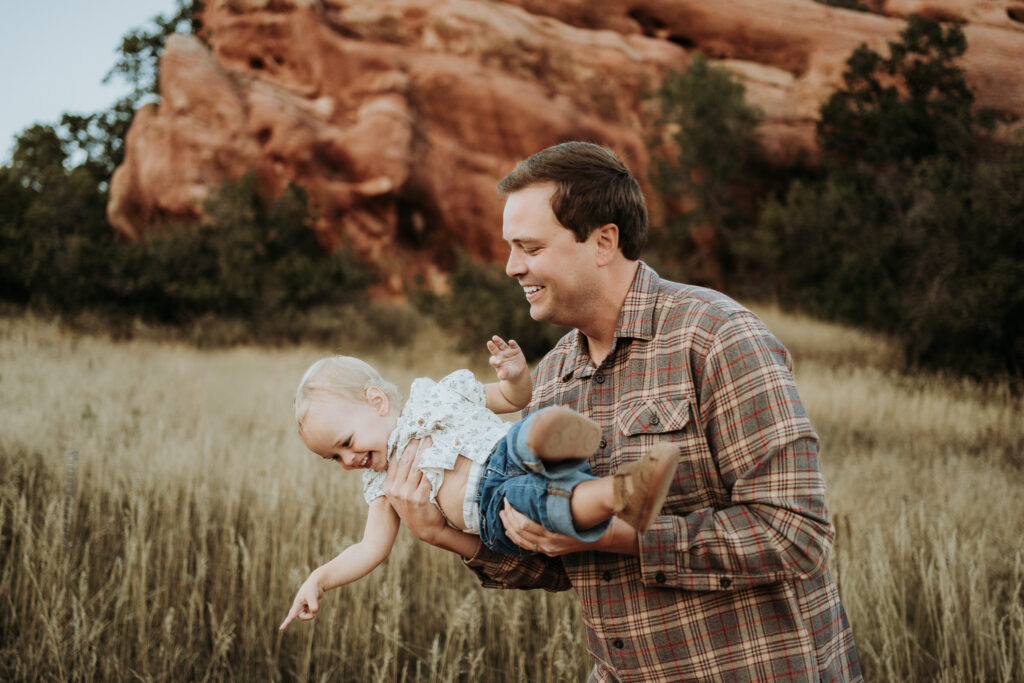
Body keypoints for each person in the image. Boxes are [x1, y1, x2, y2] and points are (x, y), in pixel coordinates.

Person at [384, 142, 863, 681]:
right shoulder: (554, 376)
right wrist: (445, 533)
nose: (512, 267)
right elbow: (557, 558)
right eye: (510, 248)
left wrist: (622, 536)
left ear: (604, 241)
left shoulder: (716, 336)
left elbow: (794, 534)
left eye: (530, 247)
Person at [278, 336, 680, 631]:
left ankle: (563, 439)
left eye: (345, 443)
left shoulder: (437, 396)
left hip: (503, 448)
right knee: (542, 501)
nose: (348, 460)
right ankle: (623, 492)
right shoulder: (383, 485)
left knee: (523, 434)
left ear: (377, 403)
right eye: (335, 458)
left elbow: (510, 398)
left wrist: (517, 375)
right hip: (495, 506)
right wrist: (320, 578)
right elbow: (370, 549)